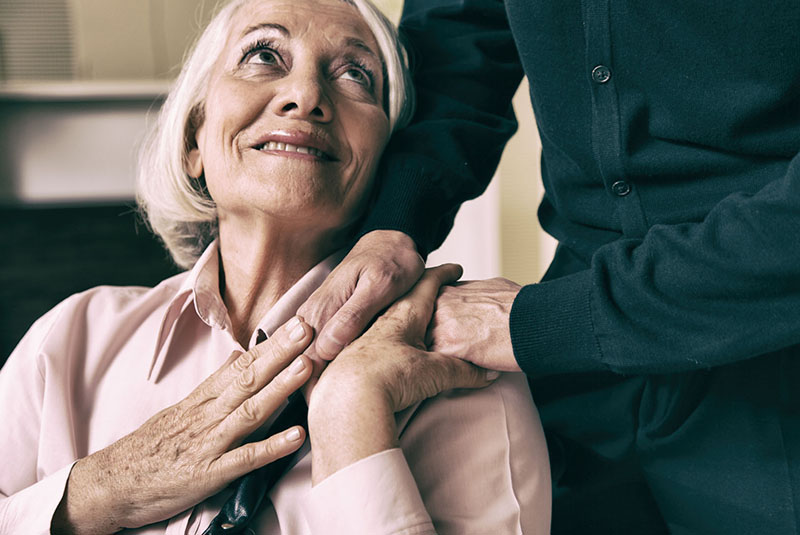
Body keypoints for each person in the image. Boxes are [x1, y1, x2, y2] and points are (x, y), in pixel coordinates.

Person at [0, 0, 552, 533]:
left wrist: (352, 414)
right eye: (263, 55)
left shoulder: (462, 380)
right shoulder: (69, 340)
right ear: (195, 137)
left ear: (391, 164)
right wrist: (97, 494)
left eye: (356, 75)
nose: (305, 95)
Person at [295, 0, 800, 533]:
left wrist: (547, 321)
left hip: (767, 336)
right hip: (575, 361)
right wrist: (395, 222)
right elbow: (461, 34)